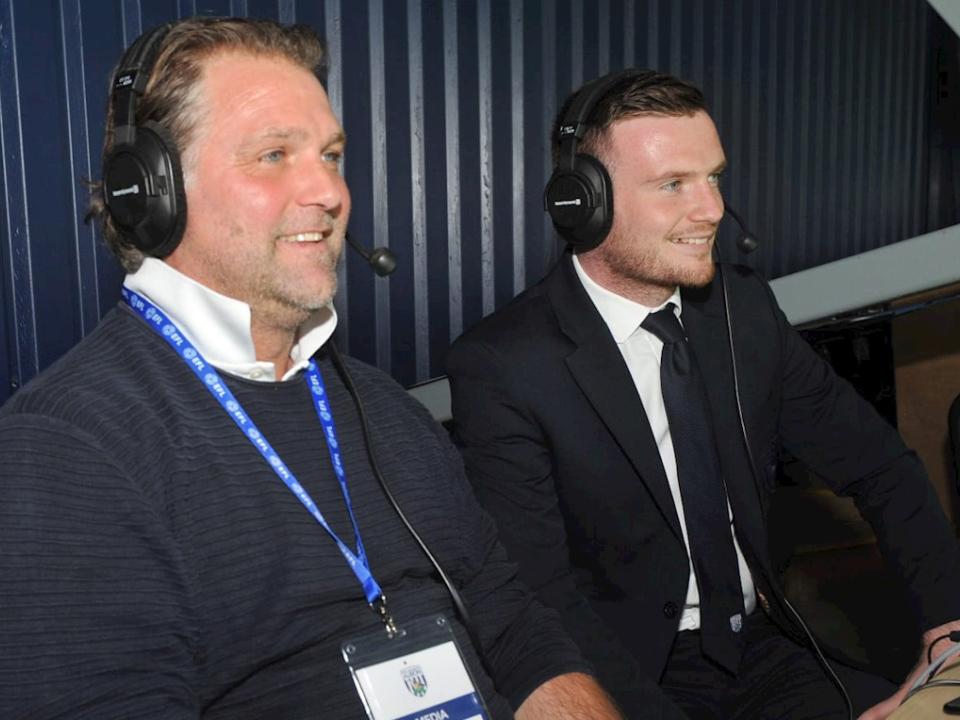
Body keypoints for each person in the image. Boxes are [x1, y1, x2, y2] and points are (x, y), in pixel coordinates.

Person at [0, 17, 623, 719]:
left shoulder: (384, 408)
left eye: (330, 155)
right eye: (273, 155)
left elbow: (512, 626)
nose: (329, 192)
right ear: (148, 191)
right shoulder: (65, 450)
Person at [446, 68, 960, 719]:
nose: (712, 209)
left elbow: (880, 466)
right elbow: (541, 599)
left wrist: (949, 631)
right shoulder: (504, 364)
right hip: (626, 673)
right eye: (673, 185)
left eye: (713, 177)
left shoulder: (742, 309)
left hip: (762, 648)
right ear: (582, 202)